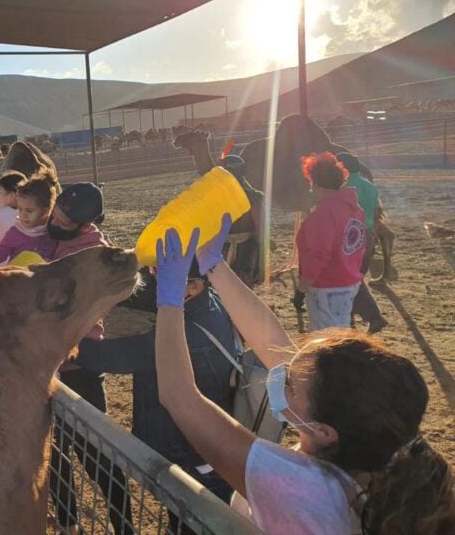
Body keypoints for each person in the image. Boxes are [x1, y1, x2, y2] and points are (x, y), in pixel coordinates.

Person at [152, 218, 455, 535]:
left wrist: (170, 299)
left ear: (324, 432)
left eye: (289, 384)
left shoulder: (305, 493)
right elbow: (275, 344)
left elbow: (179, 398)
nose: (281, 372)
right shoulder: (374, 451)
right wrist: (214, 266)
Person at [73, 258, 236, 532]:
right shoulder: (211, 306)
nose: (156, 279)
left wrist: (62, 338)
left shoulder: (185, 335)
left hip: (188, 450)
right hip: (204, 441)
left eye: (167, 274)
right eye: (156, 270)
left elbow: (107, 357)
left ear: (194, 287)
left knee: (191, 518)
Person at [45, 182, 134, 535]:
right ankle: (68, 523)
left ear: (85, 225)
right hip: (47, 366)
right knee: (53, 452)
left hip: (79, 365)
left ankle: (123, 527)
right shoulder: (51, 237)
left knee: (97, 456)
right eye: (55, 214)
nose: (55, 222)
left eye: (64, 222)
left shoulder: (94, 254)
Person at [294, 152, 365, 330]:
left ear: (317, 184)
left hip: (327, 286)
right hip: (348, 281)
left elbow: (318, 254)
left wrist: (303, 287)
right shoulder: (354, 209)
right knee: (341, 333)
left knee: (326, 339)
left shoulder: (324, 213)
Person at [336, 152, 388, 334]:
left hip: (353, 236)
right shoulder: (369, 186)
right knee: (356, 278)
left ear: (342, 167)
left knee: (350, 279)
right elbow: (376, 212)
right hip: (369, 234)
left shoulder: (345, 188)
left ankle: (372, 317)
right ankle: (356, 320)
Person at [0, 170, 58, 264]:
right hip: (18, 273)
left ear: (45, 211)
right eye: (20, 209)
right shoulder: (15, 232)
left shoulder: (54, 231)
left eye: (29, 211)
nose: (23, 215)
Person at [220, 154, 264, 287]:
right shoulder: (253, 197)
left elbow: (260, 230)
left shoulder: (253, 197)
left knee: (241, 285)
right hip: (226, 246)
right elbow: (260, 230)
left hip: (243, 247)